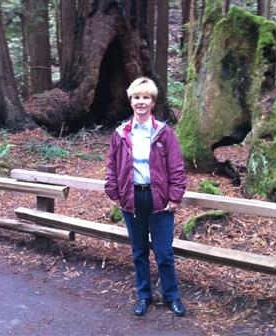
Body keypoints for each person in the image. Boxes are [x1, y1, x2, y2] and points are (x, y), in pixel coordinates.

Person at [105, 77, 187, 317]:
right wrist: (114, 192)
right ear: (131, 101)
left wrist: (175, 196)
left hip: (160, 200)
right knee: (139, 251)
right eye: (137, 97)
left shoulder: (164, 133)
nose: (141, 102)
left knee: (164, 252)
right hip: (132, 199)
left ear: (153, 102)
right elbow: (111, 165)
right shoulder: (121, 133)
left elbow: (177, 167)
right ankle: (144, 296)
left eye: (146, 97)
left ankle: (171, 296)